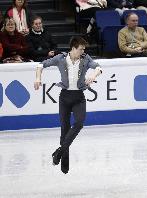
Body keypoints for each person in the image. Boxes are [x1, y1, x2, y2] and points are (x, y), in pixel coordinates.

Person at [34, 36, 102, 174]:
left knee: (79, 123)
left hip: (79, 97)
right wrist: (37, 78)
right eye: (81, 48)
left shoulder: (85, 59)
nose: (83, 51)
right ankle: (64, 164)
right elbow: (41, 65)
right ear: (73, 48)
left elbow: (99, 67)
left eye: (84, 49)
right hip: (64, 97)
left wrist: (93, 76)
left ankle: (58, 153)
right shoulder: (60, 58)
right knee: (64, 130)